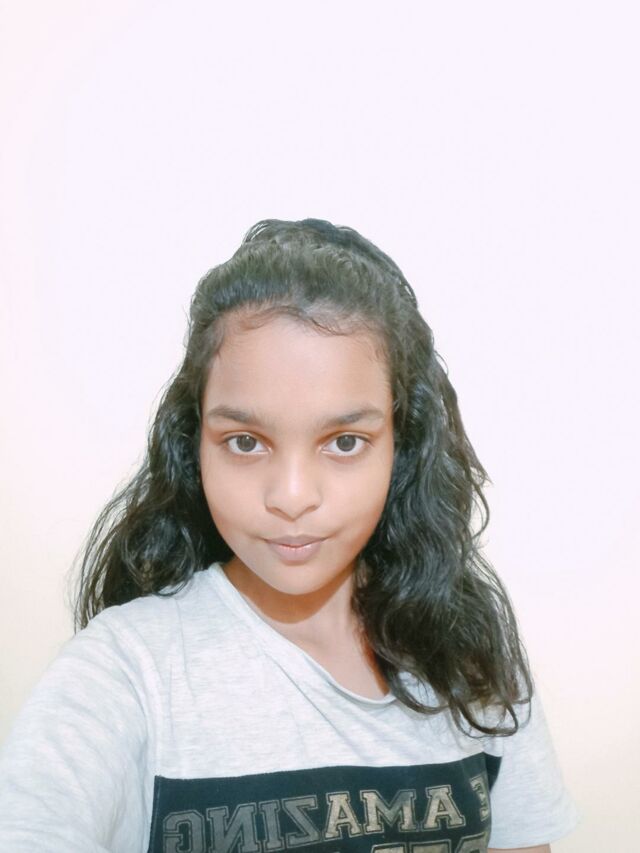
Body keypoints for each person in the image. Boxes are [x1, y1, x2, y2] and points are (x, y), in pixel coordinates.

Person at [0, 219, 579, 852]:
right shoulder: (123, 676)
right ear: (194, 443)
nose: (292, 495)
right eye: (245, 442)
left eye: (344, 442)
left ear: (402, 445)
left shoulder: (473, 659)